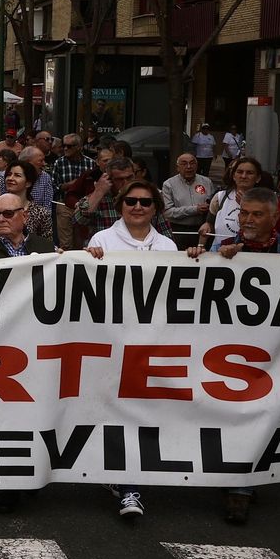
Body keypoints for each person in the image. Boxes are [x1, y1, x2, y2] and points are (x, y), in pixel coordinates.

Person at [194, 187, 280, 525]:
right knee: (225, 413)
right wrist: (200, 254)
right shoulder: (220, 248)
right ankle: (230, 475)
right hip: (224, 352)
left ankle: (242, 486)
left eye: (256, 215)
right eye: (244, 214)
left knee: (259, 413)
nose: (248, 220)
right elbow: (194, 275)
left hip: (272, 354)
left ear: (274, 217)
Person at [84, 179, 175, 520]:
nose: (138, 207)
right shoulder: (102, 240)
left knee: (141, 411)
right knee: (113, 410)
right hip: (111, 340)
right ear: (121, 206)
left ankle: (128, 481)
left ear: (155, 208)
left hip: (153, 342)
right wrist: (87, 260)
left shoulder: (167, 246)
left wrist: (195, 259)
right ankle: (123, 480)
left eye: (146, 203)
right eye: (131, 202)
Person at [74, 157, 171, 242]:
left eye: (129, 177)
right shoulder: (99, 197)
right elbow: (79, 220)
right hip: (105, 252)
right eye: (119, 179)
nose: (126, 183)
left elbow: (165, 231)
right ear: (109, 179)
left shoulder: (149, 196)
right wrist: (99, 192)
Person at [201, 156, 274, 247]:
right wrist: (206, 227)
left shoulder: (267, 200)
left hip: (251, 253)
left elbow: (271, 229)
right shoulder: (220, 197)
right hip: (219, 252)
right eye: (240, 172)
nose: (243, 176)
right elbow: (210, 223)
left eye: (249, 173)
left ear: (258, 178)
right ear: (233, 176)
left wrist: (245, 204)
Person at [161, 153, 215, 250]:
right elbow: (168, 212)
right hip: (179, 231)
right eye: (184, 164)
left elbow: (213, 206)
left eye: (192, 163)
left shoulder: (207, 182)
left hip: (201, 231)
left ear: (197, 166)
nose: (189, 167)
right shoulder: (169, 184)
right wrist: (194, 210)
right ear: (178, 167)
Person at [0, 162, 52, 243]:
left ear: (28, 183)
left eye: (17, 175)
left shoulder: (41, 213)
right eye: (9, 174)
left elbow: (47, 244)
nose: (10, 178)